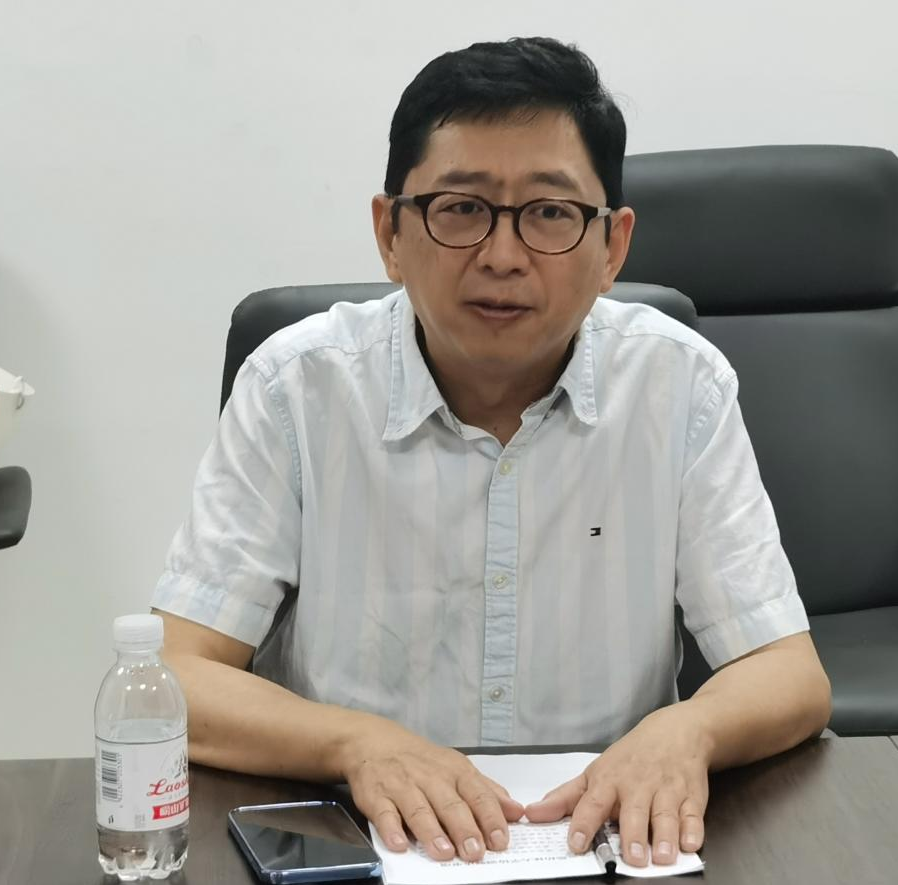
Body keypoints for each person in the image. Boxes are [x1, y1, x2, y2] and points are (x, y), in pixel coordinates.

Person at [151, 36, 831, 870]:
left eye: (549, 213)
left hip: (601, 839)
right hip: (356, 840)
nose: (502, 256)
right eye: (460, 208)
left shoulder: (679, 386)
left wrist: (688, 729)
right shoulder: (295, 388)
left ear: (612, 247)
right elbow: (175, 676)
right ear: (390, 232)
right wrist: (356, 743)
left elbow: (788, 673)